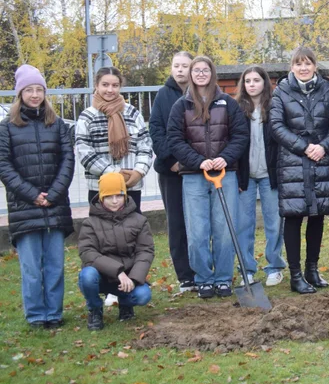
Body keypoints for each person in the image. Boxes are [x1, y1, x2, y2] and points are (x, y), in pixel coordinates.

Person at [167, 55, 249, 299]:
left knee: (224, 228)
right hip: (194, 175)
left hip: (225, 174)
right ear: (191, 74)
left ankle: (223, 278)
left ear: (213, 74)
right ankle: (203, 278)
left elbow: (240, 135)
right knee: (197, 230)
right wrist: (198, 161)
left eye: (205, 70)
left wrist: (226, 157)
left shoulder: (227, 103)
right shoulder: (181, 106)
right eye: (197, 70)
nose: (201, 74)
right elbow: (175, 139)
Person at [0, 65, 74, 329]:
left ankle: (53, 313)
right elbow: (4, 165)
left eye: (39, 89)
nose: (34, 94)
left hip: (55, 205)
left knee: (54, 265)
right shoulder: (7, 127)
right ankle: (35, 315)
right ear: (20, 93)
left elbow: (67, 160)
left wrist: (53, 194)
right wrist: (32, 195)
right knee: (31, 268)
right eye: (29, 90)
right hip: (24, 206)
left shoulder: (58, 124)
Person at [271, 47, 329, 294]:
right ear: (292, 67)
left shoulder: (326, 89)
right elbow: (276, 126)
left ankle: (312, 270)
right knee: (293, 217)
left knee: (317, 215)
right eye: (298, 64)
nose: (303, 68)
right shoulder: (281, 91)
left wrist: (323, 147)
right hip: (293, 161)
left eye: (308, 63)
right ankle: (295, 275)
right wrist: (304, 147)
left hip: (321, 159)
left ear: (315, 66)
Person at [77, 172, 154, 330]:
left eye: (118, 196)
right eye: (109, 196)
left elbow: (145, 252)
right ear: (101, 197)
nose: (114, 201)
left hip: (128, 278)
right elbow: (88, 253)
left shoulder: (140, 221)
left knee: (143, 295)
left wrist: (134, 279)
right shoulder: (90, 223)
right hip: (101, 277)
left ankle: (125, 304)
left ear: (125, 195)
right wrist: (118, 272)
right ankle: (95, 309)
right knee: (87, 276)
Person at [75, 67, 153, 211]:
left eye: (115, 85)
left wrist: (138, 172)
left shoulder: (132, 113)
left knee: (133, 229)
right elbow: (84, 152)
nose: (110, 90)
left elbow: (145, 146)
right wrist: (114, 173)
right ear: (97, 86)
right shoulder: (87, 117)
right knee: (103, 231)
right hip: (100, 187)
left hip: (131, 185)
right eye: (105, 85)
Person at [149, 51, 195, 292]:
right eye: (176, 65)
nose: (180, 70)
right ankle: (185, 276)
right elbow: (156, 130)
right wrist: (171, 161)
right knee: (177, 223)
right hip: (172, 172)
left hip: (197, 170)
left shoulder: (202, 93)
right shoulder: (163, 95)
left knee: (198, 222)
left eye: (184, 66)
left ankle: (202, 268)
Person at [234, 65, 285, 287]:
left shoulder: (274, 107)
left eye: (256, 80)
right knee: (244, 224)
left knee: (274, 222)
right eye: (248, 81)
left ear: (265, 82)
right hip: (245, 177)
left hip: (270, 175)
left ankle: (274, 267)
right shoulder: (235, 109)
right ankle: (247, 269)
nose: (252, 84)